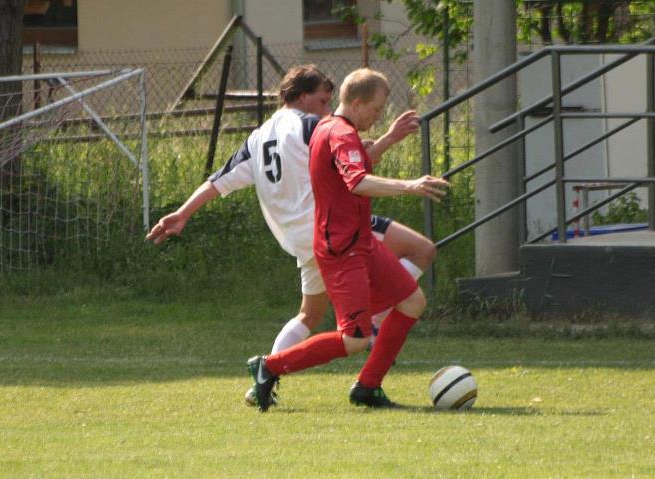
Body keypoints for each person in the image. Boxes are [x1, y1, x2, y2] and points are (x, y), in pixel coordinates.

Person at [146, 65, 434, 404]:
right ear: (302, 97)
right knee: (420, 251)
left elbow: (218, 182)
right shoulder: (314, 126)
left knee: (312, 315)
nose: (327, 109)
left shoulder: (258, 138)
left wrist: (183, 213)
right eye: (323, 101)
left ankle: (270, 383)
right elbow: (352, 173)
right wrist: (391, 150)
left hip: (302, 240)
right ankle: (366, 328)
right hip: (334, 230)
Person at [247, 68, 450, 412]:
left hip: (361, 243)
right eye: (376, 108)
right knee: (355, 339)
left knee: (413, 302)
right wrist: (409, 185)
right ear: (356, 103)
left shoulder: (333, 129)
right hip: (341, 250)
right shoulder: (339, 132)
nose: (378, 115)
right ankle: (269, 366)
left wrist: (386, 139)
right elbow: (356, 181)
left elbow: (348, 172)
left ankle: (368, 387)